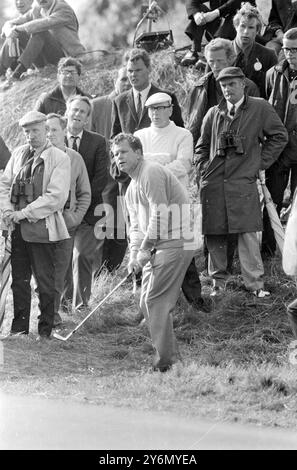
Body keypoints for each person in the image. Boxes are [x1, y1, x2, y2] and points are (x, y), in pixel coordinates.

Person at [195, 67, 288, 297]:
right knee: (215, 233)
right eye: (223, 85)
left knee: (247, 232)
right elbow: (201, 147)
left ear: (243, 84)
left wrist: (258, 163)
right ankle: (218, 284)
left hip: (242, 180)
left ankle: (255, 284)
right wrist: (204, 169)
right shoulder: (213, 113)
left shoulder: (259, 107)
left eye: (232, 84)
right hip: (214, 182)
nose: (227, 89)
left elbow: (279, 136)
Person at [111, 133, 194, 372]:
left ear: (138, 153)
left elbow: (160, 213)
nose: (119, 158)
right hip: (159, 245)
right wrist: (135, 256)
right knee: (146, 301)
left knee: (154, 301)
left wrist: (146, 249)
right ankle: (172, 359)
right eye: (116, 154)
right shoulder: (130, 188)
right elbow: (136, 227)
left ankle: (165, 364)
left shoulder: (151, 172)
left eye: (124, 152)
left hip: (177, 240)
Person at [0, 110, 71, 340]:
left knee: (45, 281)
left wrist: (23, 213)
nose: (31, 135)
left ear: (46, 130)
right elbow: (4, 184)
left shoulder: (59, 158)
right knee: (19, 281)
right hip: (18, 230)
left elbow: (55, 197)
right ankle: (19, 329)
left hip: (44, 229)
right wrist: (8, 211)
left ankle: (46, 330)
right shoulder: (19, 154)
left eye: (36, 130)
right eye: (27, 131)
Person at [134, 92, 205, 311]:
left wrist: (154, 169)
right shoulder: (140, 135)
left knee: (183, 248)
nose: (156, 113)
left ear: (170, 110)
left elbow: (183, 164)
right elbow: (137, 165)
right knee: (147, 246)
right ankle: (146, 301)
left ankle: (195, 300)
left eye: (161, 108)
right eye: (152, 109)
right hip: (147, 202)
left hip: (176, 202)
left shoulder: (182, 135)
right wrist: (161, 164)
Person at [45, 113, 91, 326]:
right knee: (43, 272)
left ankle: (53, 316)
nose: (49, 134)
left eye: (54, 129)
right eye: (46, 129)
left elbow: (84, 193)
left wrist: (75, 217)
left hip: (65, 222)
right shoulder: (37, 156)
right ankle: (48, 313)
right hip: (41, 222)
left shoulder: (75, 158)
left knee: (61, 269)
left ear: (64, 131)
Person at [63, 95, 108, 310]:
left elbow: (100, 179)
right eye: (75, 110)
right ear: (67, 112)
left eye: (83, 111)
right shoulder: (55, 139)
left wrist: (80, 206)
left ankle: (81, 305)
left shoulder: (98, 142)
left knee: (81, 255)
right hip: (59, 213)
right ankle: (62, 306)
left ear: (88, 118)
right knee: (62, 258)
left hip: (88, 212)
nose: (78, 114)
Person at [91, 66, 131, 274]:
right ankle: (100, 270)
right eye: (123, 78)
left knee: (122, 223)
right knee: (105, 219)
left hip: (129, 172)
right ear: (115, 80)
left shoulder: (131, 103)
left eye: (129, 78)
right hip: (104, 172)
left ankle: (111, 268)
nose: (126, 82)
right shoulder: (97, 105)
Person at [186, 37, 259, 146]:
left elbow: (254, 127)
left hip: (237, 150)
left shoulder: (248, 88)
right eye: (211, 61)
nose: (215, 66)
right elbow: (192, 125)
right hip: (205, 149)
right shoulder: (199, 87)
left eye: (219, 61)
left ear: (231, 59)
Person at [264, 27, 297, 256]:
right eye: (285, 49)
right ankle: (267, 252)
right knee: (271, 201)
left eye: (295, 50)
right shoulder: (272, 74)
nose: (289, 54)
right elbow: (268, 108)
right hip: (278, 149)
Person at [1, 0, 85, 87]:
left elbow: (43, 23)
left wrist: (16, 29)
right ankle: (1, 72)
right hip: (44, 59)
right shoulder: (38, 8)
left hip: (65, 59)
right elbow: (10, 23)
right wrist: (9, 30)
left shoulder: (63, 9)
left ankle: (17, 73)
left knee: (40, 32)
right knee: (15, 34)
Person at [232, 2, 278, 99]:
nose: (246, 32)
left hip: (256, 109)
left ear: (257, 30)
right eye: (243, 26)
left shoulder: (268, 56)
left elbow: (274, 93)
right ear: (236, 26)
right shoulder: (220, 50)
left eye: (251, 27)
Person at [181, 0, 245, 67]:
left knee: (237, 16)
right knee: (199, 8)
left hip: (236, 29)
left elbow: (236, 2)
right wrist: (196, 15)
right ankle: (194, 51)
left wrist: (216, 13)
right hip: (217, 23)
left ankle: (215, 58)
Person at [0, 0, 34, 78]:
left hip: (36, 58)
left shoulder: (36, 12)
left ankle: (2, 69)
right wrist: (8, 31)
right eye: (16, 0)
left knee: (15, 33)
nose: (19, 2)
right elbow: (7, 24)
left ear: (31, 1)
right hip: (20, 58)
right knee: (12, 34)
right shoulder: (19, 19)